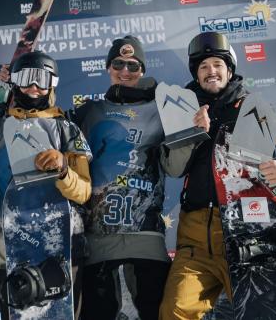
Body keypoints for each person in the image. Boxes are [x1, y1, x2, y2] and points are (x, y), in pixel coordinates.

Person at [158, 31, 276, 320]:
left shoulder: (257, 110)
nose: (210, 72)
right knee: (174, 311)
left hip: (248, 236)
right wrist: (192, 132)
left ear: (229, 69)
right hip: (196, 240)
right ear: (196, 74)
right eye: (203, 67)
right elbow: (173, 168)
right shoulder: (182, 111)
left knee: (265, 314)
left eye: (217, 64)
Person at [68, 35, 191, 320]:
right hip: (99, 237)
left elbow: (175, 166)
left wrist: (185, 124)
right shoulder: (89, 112)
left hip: (146, 236)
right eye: (118, 63)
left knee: (156, 312)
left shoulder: (162, 110)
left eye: (133, 66)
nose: (125, 71)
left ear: (143, 71)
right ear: (108, 67)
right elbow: (49, 128)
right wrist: (10, 90)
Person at [0, 50, 92, 319]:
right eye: (26, 77)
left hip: (58, 243)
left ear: (52, 85)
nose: (34, 86)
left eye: (42, 79)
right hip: (9, 246)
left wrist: (63, 169)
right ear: (14, 82)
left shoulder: (67, 129)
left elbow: (84, 192)